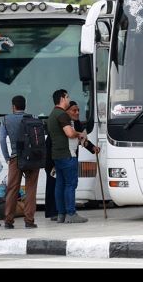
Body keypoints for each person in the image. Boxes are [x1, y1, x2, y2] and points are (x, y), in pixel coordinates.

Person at [47, 89, 87, 223]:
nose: (69, 99)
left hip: (57, 154)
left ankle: (61, 214)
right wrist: (79, 134)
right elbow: (69, 133)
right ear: (62, 98)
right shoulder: (62, 115)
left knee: (60, 184)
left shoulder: (52, 114)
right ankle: (71, 213)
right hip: (68, 154)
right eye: (68, 97)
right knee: (70, 184)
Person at [0, 95, 39, 229]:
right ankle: (29, 220)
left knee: (12, 189)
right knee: (31, 189)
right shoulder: (33, 117)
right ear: (25, 106)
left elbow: (2, 141)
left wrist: (7, 157)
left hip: (15, 157)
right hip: (32, 158)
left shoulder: (6, 119)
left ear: (13, 106)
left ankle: (8, 221)